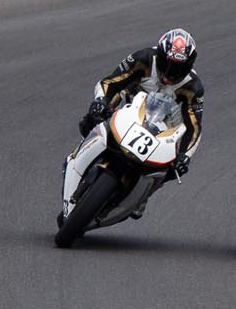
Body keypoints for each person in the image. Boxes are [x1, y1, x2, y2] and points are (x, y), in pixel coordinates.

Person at [64, 28, 203, 224]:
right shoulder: (144, 58)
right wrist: (100, 101)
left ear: (189, 65)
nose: (171, 73)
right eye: (168, 65)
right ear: (160, 56)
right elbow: (109, 83)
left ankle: (144, 195)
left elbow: (194, 128)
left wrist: (185, 157)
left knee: (174, 167)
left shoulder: (193, 88)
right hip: (129, 111)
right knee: (93, 116)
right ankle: (81, 151)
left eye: (178, 68)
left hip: (162, 129)